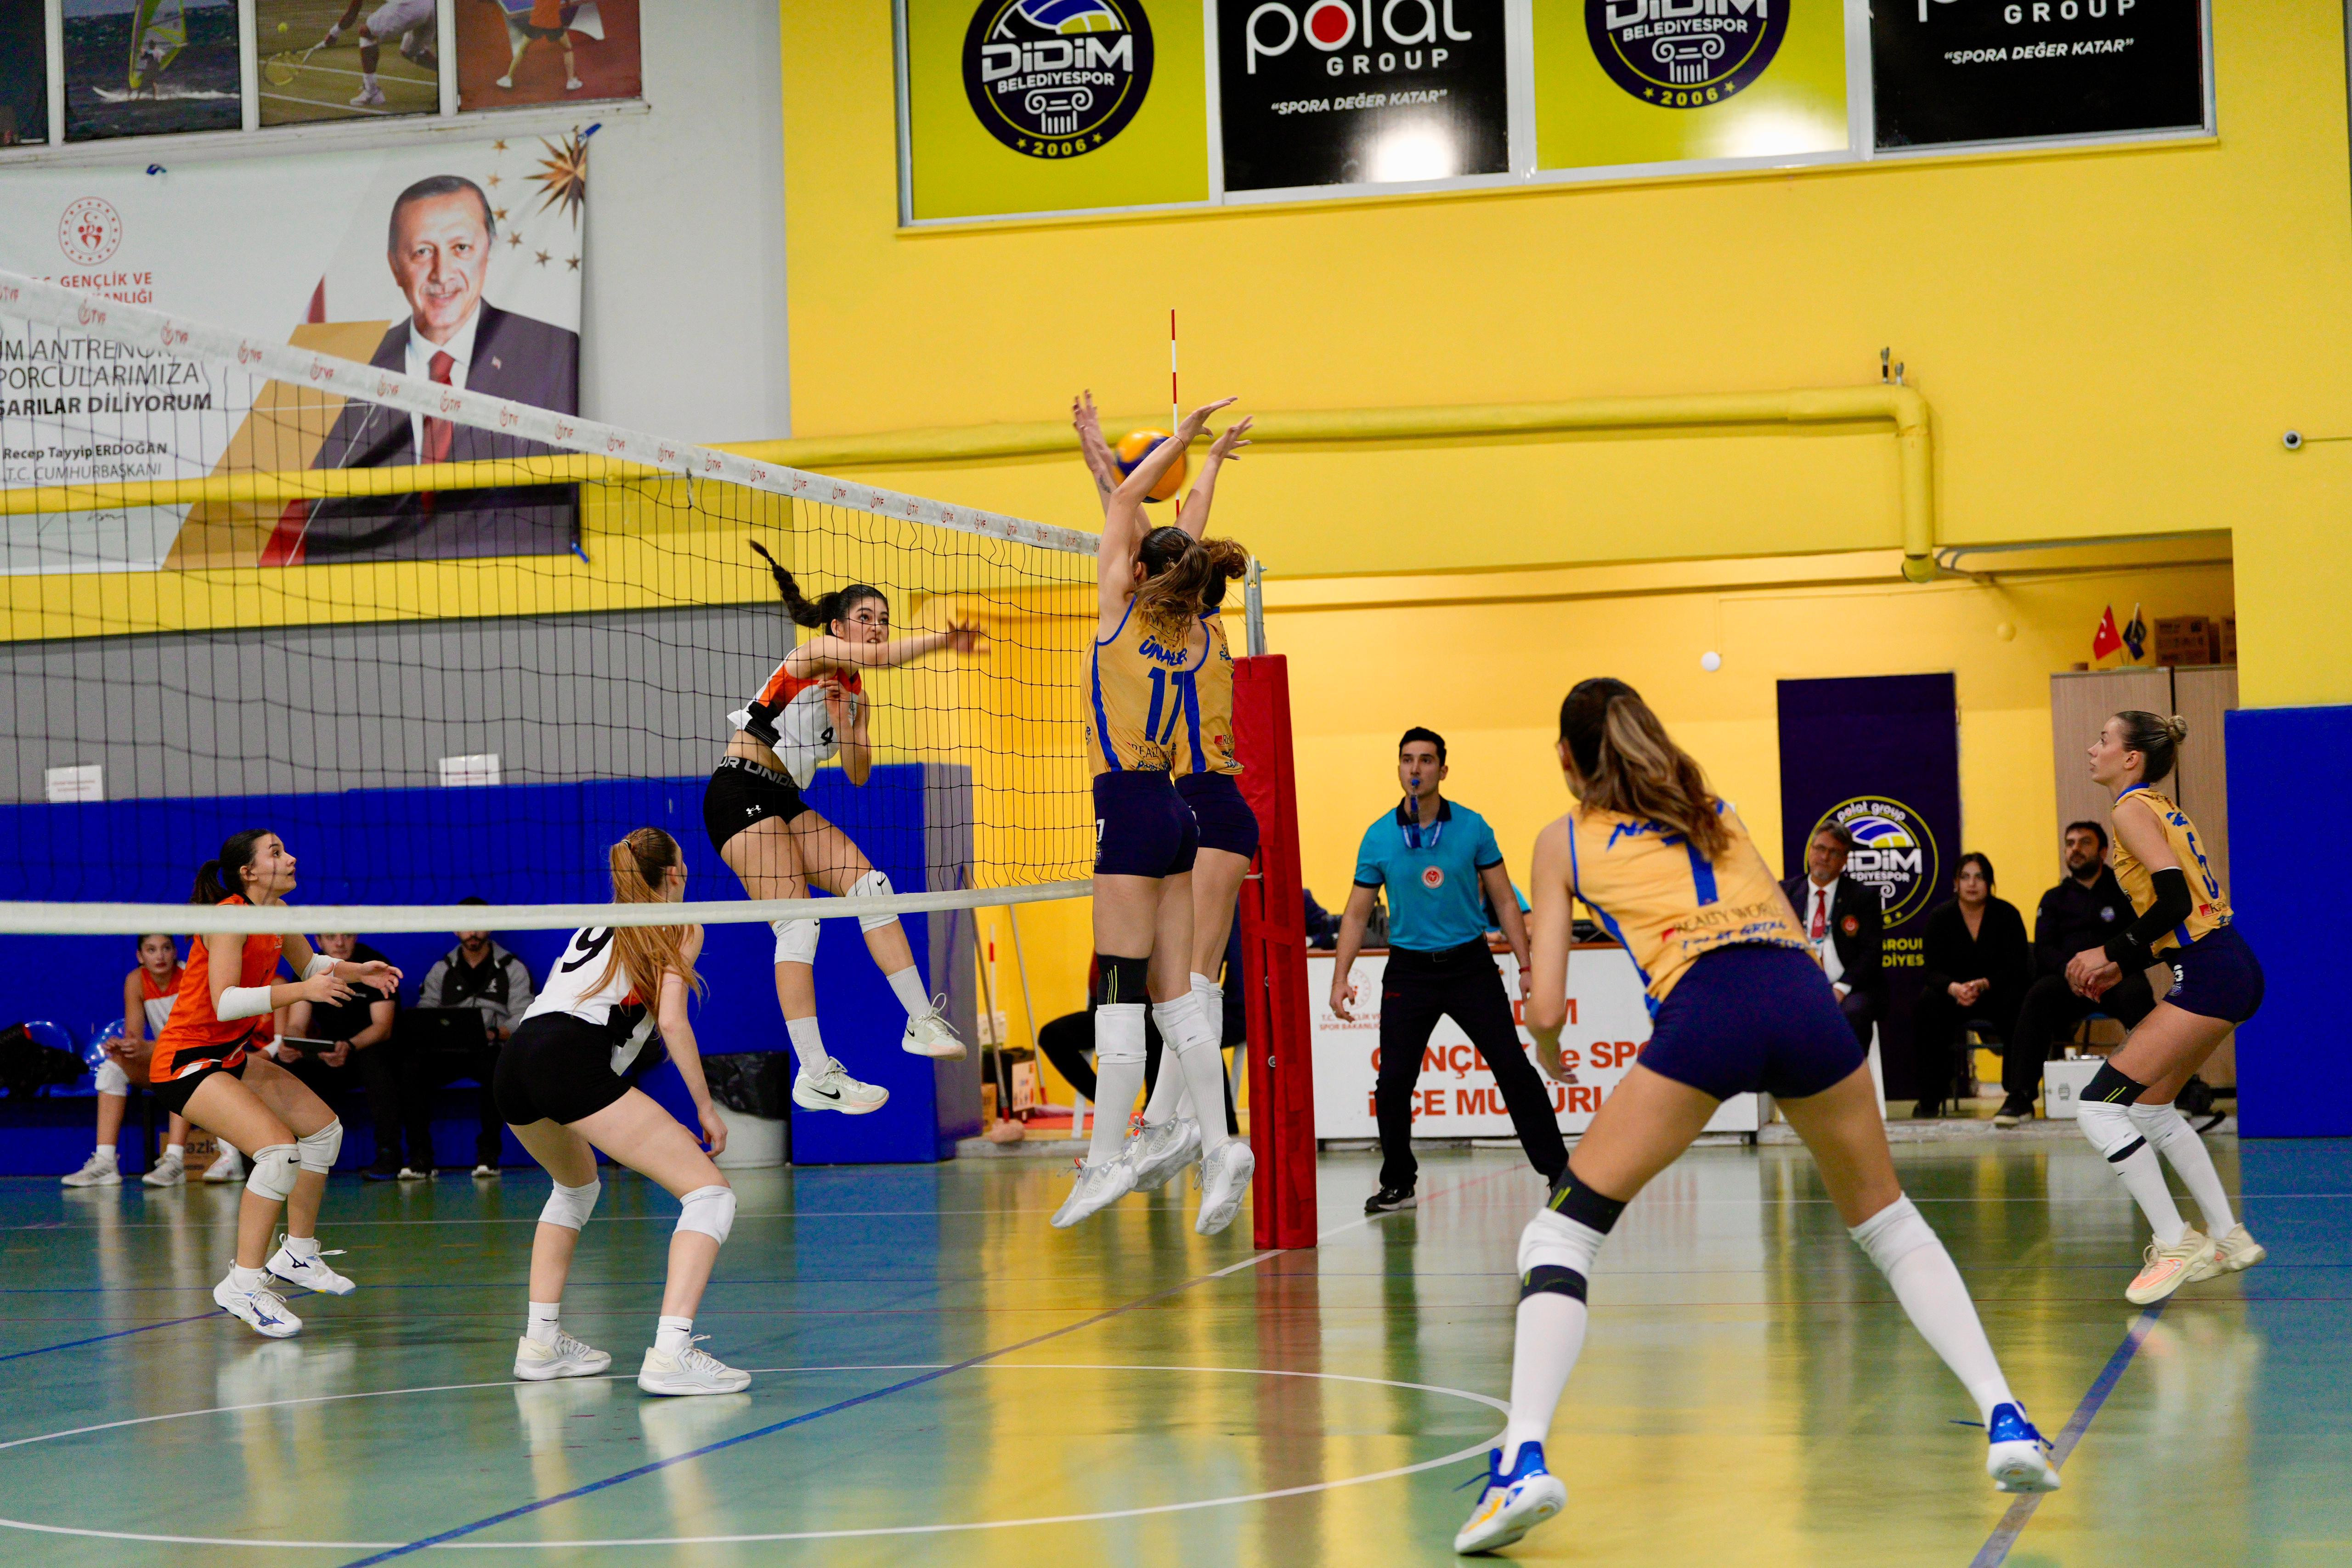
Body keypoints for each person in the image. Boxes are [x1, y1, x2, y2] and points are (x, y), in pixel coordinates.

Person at [1454, 679, 2056, 1554]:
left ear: (1565, 759)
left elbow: (1545, 1004)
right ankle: (2007, 1416)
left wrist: (1547, 1051)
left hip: (1708, 1007)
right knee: (1889, 1220)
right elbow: (1789, 929)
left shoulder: (1562, 839)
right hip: (1803, 999)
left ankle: (1522, 1460)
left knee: (1561, 1234)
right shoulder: (1716, 810)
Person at [1052, 396, 1255, 1234]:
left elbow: (1130, 502)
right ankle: (1219, 1143)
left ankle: (1105, 1159)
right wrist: (1200, 458)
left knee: (1118, 990)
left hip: (1129, 811)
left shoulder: (1119, 619)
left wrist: (1176, 441)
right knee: (1178, 998)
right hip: (1179, 812)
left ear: (1137, 571)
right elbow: (1172, 532)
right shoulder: (1200, 634)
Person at [708, 550, 980, 1118]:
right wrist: (941, 641)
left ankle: (920, 1022)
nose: (877, 627)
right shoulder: (811, 655)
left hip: (784, 798)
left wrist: (849, 724)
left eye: (883, 620)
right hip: (738, 790)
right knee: (798, 924)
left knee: (871, 887)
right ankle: (815, 1075)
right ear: (837, 626)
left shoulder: (855, 692)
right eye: (865, 618)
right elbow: (879, 658)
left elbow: (858, 773)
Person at [493, 828, 748, 1395]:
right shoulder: (678, 924)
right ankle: (672, 1354)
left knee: (575, 1188)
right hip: (569, 1059)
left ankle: (540, 1343)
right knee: (710, 1196)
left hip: (516, 1061)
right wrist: (705, 1108)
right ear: (675, 874)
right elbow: (672, 1021)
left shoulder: (599, 922)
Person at [144, 831, 401, 1338]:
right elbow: (225, 1002)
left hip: (230, 1056)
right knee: (279, 1153)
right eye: (276, 853)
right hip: (186, 1062)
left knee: (323, 1132)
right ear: (249, 872)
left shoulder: (278, 912)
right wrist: (303, 991)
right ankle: (242, 1284)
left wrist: (360, 972)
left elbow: (313, 965)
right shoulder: (228, 919)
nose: (291, 858)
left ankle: (298, 1254)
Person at [2064, 712, 2266, 1304]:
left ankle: (2174, 1240)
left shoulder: (2129, 809)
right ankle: (2227, 1237)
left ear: (2131, 759)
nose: (2092, 748)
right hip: (2226, 965)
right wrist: (2123, 963)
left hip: (2210, 971)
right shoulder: (2155, 806)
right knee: (2152, 1108)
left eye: (2103, 739)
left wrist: (2108, 951)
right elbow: (2179, 915)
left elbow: (2174, 901)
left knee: (2098, 1108)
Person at [291, 175, 581, 564]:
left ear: (488, 250)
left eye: (461, 248)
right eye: (423, 252)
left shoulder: (553, 354)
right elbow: (324, 521)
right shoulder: (344, 371)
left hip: (517, 581)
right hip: (380, 587)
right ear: (395, 266)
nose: (442, 274)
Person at [1334, 728, 1564, 1216]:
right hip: (1409, 972)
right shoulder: (1378, 836)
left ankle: (1561, 1176)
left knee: (1513, 1069)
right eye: (1407, 760)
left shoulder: (1473, 827)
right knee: (1393, 1083)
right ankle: (1399, 1183)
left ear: (1442, 769)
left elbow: (1505, 901)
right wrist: (1340, 979)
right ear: (1399, 768)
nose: (1415, 769)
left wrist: (1527, 965)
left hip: (1469, 967)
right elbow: (1355, 915)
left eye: (1425, 760)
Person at [1994, 821, 2154, 1127]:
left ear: (2103, 851)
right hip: (2068, 982)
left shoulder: (2125, 893)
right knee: (2038, 996)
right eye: (2070, 843)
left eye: (2084, 842)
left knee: (2139, 995)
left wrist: (2113, 967)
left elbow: (2140, 940)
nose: (2075, 849)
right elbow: (2044, 948)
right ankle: (2020, 1097)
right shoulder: (2053, 898)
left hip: (2116, 977)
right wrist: (2069, 971)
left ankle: (2167, 1092)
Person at [409, 903, 537, 1178]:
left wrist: (497, 1033)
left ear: (490, 927)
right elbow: (425, 1010)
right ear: (456, 930)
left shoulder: (512, 968)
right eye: (466, 925)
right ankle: (421, 1159)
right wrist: (438, 1031)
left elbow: (524, 1015)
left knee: (498, 1072)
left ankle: (488, 1156)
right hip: (447, 1052)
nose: (473, 933)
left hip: (490, 1048)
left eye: (479, 924)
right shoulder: (441, 969)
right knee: (412, 1072)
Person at [62, 934, 193, 1189]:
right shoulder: (136, 981)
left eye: (166, 948)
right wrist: (124, 1047)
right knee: (112, 1068)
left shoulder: (190, 975)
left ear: (175, 952)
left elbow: (192, 1041)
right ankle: (105, 1164)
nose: (160, 956)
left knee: (182, 1067)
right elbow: (135, 1037)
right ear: (140, 956)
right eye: (151, 950)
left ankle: (175, 1162)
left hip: (198, 1059)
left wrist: (147, 1048)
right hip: (163, 1057)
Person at [1910, 855, 2031, 1120]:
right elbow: (1932, 971)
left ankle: (2018, 1094)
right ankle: (1930, 1097)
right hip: (1954, 996)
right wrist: (1954, 988)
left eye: (1979, 877)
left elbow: (2017, 967)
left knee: (2020, 1002)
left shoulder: (2007, 914)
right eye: (1965, 877)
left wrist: (1985, 983)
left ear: (1989, 883)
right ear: (1956, 883)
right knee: (1928, 1003)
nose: (1972, 884)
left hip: (1996, 993)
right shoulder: (1940, 917)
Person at [281, 931, 401, 1179]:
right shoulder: (308, 968)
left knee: (377, 1064)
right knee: (286, 1067)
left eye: (346, 935)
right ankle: (290, 1157)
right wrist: (292, 1044)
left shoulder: (374, 966)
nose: (339, 943)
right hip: (327, 1051)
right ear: (318, 941)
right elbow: (296, 1024)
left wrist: (349, 1046)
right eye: (331, 937)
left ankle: (389, 1153)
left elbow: (383, 1027)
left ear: (355, 937)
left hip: (365, 1048)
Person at [1781, 825, 1886, 1052]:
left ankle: (1850, 1074)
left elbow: (1871, 953)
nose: (1825, 857)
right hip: (1798, 986)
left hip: (1848, 988)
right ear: (1810, 851)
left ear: (1845, 860)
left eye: (1834, 852)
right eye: (1820, 848)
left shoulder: (1863, 897)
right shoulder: (1785, 894)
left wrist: (1840, 988)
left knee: (1854, 1013)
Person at [320, 0, 437, 107]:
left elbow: (353, 12)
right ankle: (449, 77)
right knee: (412, 52)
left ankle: (372, 92)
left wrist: (334, 33)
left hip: (411, 6)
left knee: (366, 33)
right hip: (433, 6)